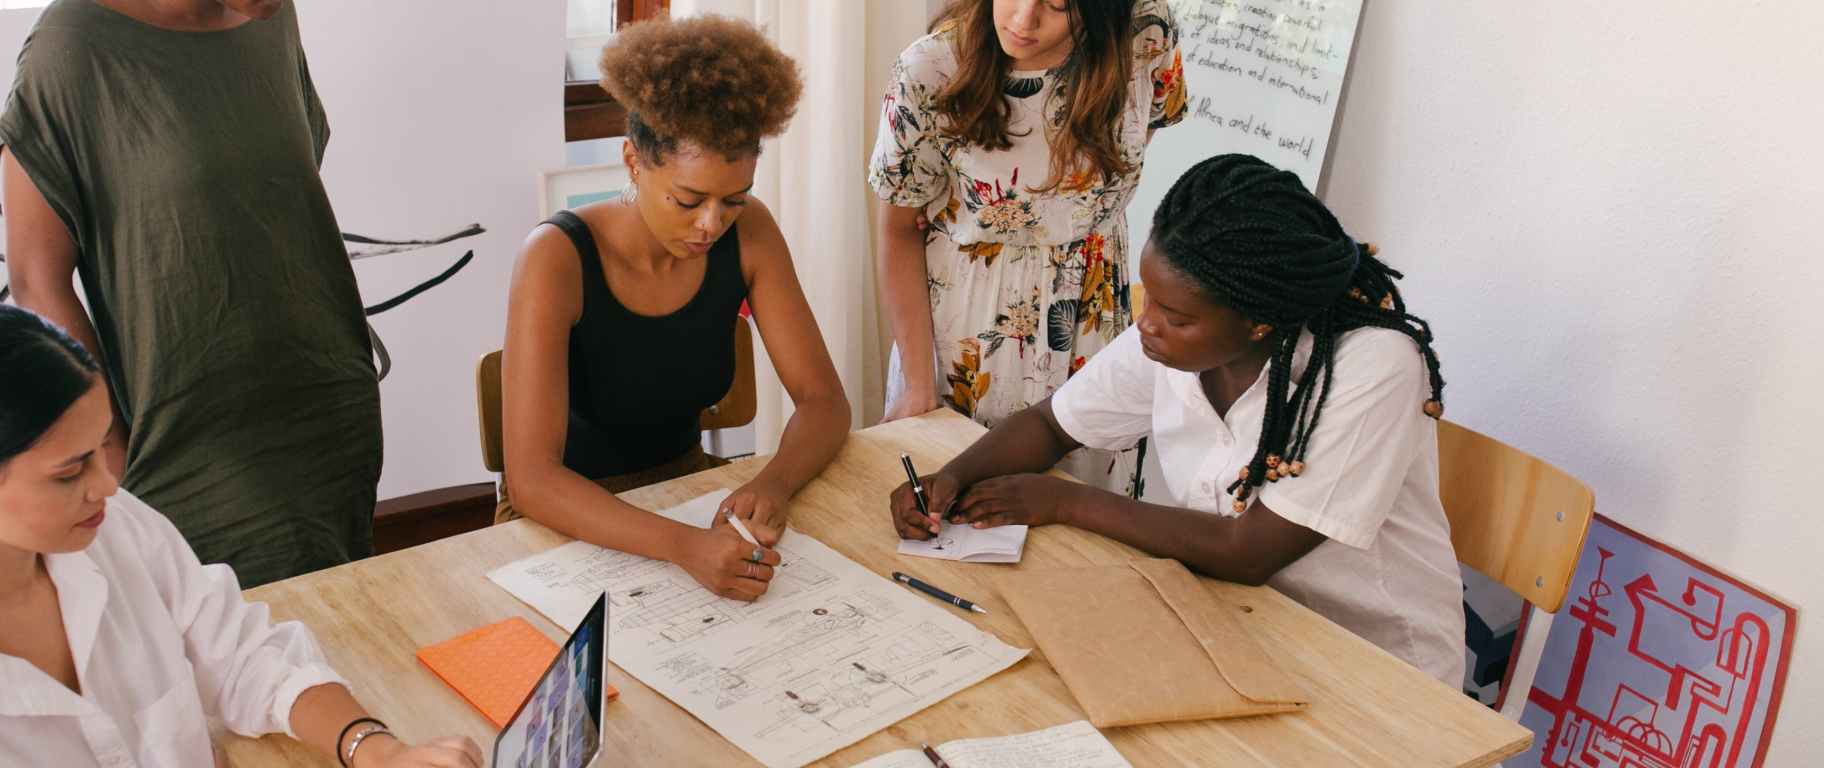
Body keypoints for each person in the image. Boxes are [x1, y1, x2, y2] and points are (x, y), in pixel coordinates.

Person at [889, 155, 1467, 687]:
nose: (1146, 323)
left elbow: (1248, 551)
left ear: (1258, 321)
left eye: (1176, 316)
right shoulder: (1172, 341)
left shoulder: (1372, 366)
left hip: (1376, 666)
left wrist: (1064, 501)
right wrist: (952, 478)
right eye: (1152, 300)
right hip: (1238, 623)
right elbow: (1051, 425)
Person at [0, 302, 480, 767]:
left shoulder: (114, 527)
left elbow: (242, 655)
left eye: (102, 448)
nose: (107, 485)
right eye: (69, 471)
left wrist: (374, 748)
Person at [0, 0, 381, 587]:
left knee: (341, 627)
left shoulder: (272, 18)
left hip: (330, 417)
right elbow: (36, 280)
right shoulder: (70, 48)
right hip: (190, 446)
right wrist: (108, 448)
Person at [499, 16, 851, 602]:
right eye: (688, 200)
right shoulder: (556, 257)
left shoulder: (751, 233)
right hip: (565, 518)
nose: (711, 224)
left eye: (733, 200)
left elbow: (824, 401)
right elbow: (532, 481)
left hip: (686, 493)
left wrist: (774, 483)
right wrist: (685, 546)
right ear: (633, 161)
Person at [869, 0, 1187, 490]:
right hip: (971, 333)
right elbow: (897, 230)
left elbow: (1138, 136)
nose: (1022, 21)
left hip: (1094, 323)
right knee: (957, 505)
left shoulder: (1146, 32)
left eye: (1057, 5)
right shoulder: (929, 69)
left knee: (1084, 514)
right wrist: (917, 384)